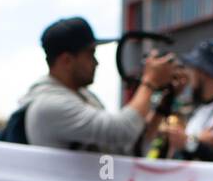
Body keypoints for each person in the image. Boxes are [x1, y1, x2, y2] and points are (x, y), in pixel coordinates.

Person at [17, 16, 175, 154]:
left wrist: (163, 105)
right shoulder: (49, 104)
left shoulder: (85, 97)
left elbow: (125, 149)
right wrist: (150, 82)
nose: (96, 63)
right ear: (66, 60)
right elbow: (120, 131)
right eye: (90, 54)